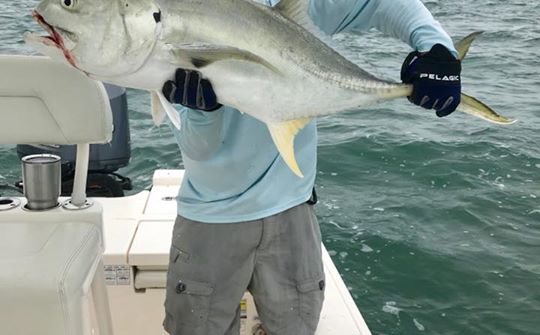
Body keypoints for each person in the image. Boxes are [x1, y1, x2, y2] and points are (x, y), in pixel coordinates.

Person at [161, 0, 461, 334]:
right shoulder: (177, 17)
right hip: (211, 221)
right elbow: (198, 149)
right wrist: (202, 113)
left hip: (292, 213)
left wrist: (436, 48)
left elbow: (379, 3)